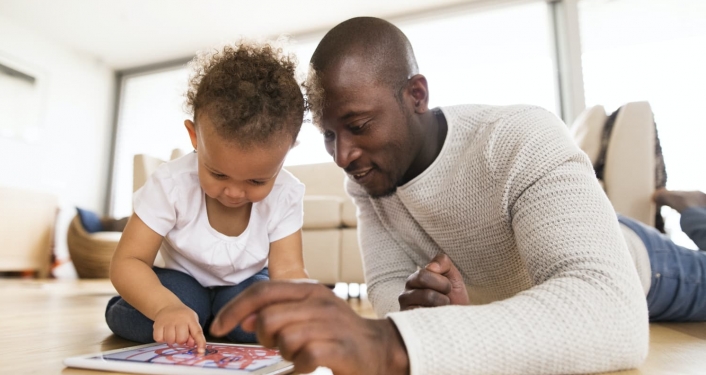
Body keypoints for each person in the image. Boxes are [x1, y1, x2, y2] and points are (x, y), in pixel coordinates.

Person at [210, 17, 703, 375]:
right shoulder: (367, 179)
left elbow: (614, 317)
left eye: (358, 126)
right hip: (525, 300)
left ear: (417, 95)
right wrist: (426, 313)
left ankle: (695, 212)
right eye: (329, 135)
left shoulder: (518, 137)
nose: (342, 156)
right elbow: (386, 290)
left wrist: (393, 344)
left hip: (646, 267)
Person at [105, 41, 308, 354]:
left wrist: (304, 310)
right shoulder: (171, 183)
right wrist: (164, 308)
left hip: (244, 285)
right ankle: (191, 315)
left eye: (256, 180)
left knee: (259, 316)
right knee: (159, 314)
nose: (234, 192)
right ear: (194, 136)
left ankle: (209, 321)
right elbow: (127, 262)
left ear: (287, 151)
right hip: (180, 284)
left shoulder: (287, 193)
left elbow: (290, 273)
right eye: (218, 174)